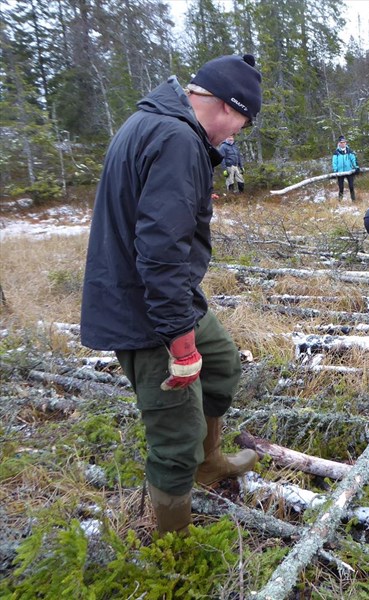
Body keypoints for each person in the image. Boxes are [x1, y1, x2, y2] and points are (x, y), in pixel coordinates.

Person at [80, 54, 262, 534]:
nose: (237, 134)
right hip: (148, 311)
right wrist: (180, 343)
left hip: (163, 296)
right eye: (243, 122)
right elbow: (160, 252)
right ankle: (173, 547)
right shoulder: (179, 138)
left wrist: (188, 196)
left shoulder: (158, 122)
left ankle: (209, 461)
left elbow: (153, 213)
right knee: (175, 436)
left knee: (221, 362)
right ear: (227, 106)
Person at [332, 135, 359, 202]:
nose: (343, 144)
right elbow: (334, 162)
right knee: (341, 188)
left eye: (344, 142)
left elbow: (353, 159)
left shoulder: (349, 151)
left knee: (351, 186)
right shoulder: (336, 152)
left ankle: (354, 200)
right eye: (341, 142)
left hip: (349, 171)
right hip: (340, 172)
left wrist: (356, 167)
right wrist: (335, 171)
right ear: (339, 143)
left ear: (346, 143)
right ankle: (340, 201)